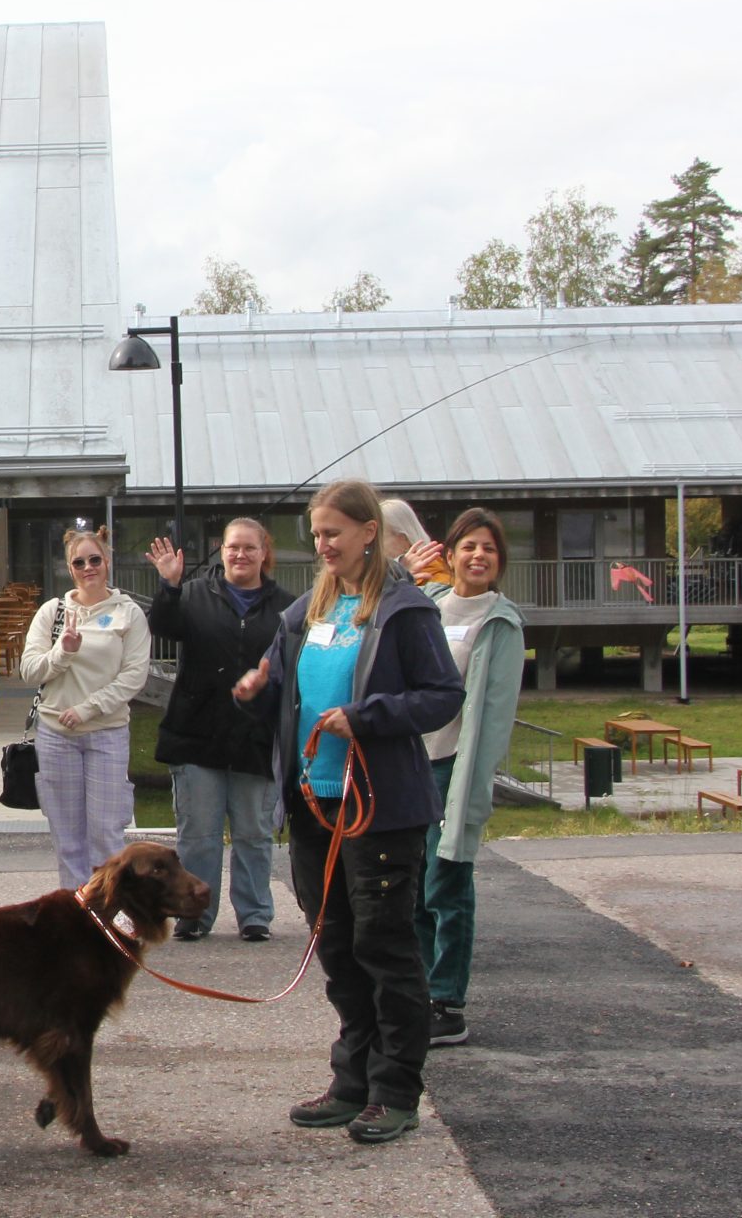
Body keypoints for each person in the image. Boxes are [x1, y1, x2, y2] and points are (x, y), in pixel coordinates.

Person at [236, 479, 462, 1146]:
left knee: (384, 947)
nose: (324, 545)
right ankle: (352, 1081)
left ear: (371, 532)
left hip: (381, 808)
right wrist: (261, 679)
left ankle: (397, 1091)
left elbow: (441, 694)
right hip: (314, 804)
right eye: (317, 536)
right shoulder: (314, 606)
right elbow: (286, 663)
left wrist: (366, 717)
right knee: (337, 945)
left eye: (335, 533)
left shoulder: (404, 610)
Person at [147, 518, 295, 941]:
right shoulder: (193, 594)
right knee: (199, 837)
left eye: (250, 548)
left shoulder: (285, 606)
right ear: (221, 550)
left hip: (255, 737)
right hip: (197, 735)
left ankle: (255, 916)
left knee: (253, 834)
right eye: (233, 547)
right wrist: (170, 586)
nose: (240, 555)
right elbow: (164, 627)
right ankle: (194, 914)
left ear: (265, 553)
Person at [412, 509, 524, 1049]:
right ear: (449, 553)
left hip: (454, 764)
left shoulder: (500, 621)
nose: (478, 556)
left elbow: (493, 710)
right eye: (469, 547)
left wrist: (471, 777)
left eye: (489, 549)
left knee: (446, 880)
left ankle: (447, 1001)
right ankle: (417, 990)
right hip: (411, 762)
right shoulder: (427, 606)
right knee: (409, 883)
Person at [18, 527, 153, 888]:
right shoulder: (53, 612)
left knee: (106, 835)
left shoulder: (129, 614)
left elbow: (134, 677)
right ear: (69, 567)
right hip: (55, 736)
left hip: (106, 733)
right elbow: (29, 670)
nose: (88, 567)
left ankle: (112, 913)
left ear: (107, 561)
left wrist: (88, 709)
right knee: (67, 836)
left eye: (95, 559)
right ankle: (76, 914)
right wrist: (64, 651)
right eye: (79, 562)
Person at [380, 499, 453, 589]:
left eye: (379, 538)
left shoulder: (437, 579)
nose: (371, 544)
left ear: (404, 539)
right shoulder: (382, 577)